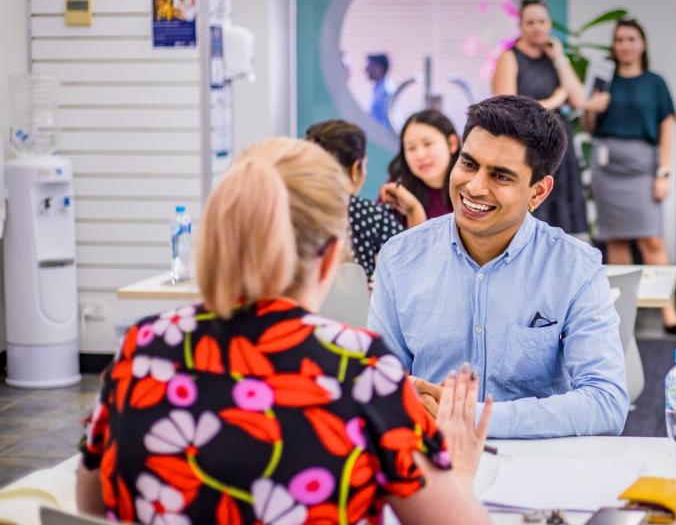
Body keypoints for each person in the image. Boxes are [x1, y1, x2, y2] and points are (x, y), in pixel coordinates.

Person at [76, 138, 491, 524]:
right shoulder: (360, 368)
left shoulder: (142, 346)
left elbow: (90, 503)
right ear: (330, 259)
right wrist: (459, 469)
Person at [369, 95, 629, 439]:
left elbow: (606, 401)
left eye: (501, 176)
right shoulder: (401, 258)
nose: (475, 187)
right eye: (469, 164)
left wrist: (473, 418)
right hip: (429, 459)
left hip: (535, 469)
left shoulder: (574, 268)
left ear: (537, 192)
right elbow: (379, 384)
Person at [582, 18, 676, 335]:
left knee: (651, 238)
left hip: (643, 166)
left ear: (642, 44)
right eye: (620, 40)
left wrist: (663, 173)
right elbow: (589, 127)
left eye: (631, 39)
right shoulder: (604, 79)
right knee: (616, 238)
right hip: (607, 166)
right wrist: (591, 108)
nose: (625, 45)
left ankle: (669, 311)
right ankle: (623, 312)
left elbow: (667, 128)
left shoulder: (655, 82)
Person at [491, 0, 597, 236]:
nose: (537, 27)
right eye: (530, 22)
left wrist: (559, 57)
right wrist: (556, 100)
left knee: (565, 222)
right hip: (528, 148)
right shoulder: (510, 58)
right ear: (520, 26)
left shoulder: (554, 58)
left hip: (560, 148)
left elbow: (579, 99)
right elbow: (508, 108)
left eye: (542, 21)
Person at [305, 119, 403, 280]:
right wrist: (415, 210)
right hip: (357, 305)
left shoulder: (294, 209)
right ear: (356, 168)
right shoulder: (372, 216)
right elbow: (413, 266)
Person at [379, 109, 459, 228]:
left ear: (452, 144)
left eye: (428, 144)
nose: (420, 155)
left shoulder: (471, 188)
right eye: (411, 148)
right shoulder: (398, 188)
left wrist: (413, 211)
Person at [366, 53, 393, 129]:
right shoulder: (378, 88)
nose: (366, 69)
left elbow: (385, 123)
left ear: (379, 68)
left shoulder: (387, 91)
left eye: (369, 66)